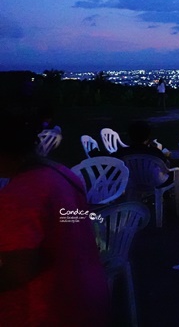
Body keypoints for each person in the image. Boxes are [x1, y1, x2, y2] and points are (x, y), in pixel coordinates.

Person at [0, 112, 110, 326]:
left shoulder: (19, 195)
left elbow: (18, 271)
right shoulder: (62, 174)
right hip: (87, 294)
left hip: (45, 309)